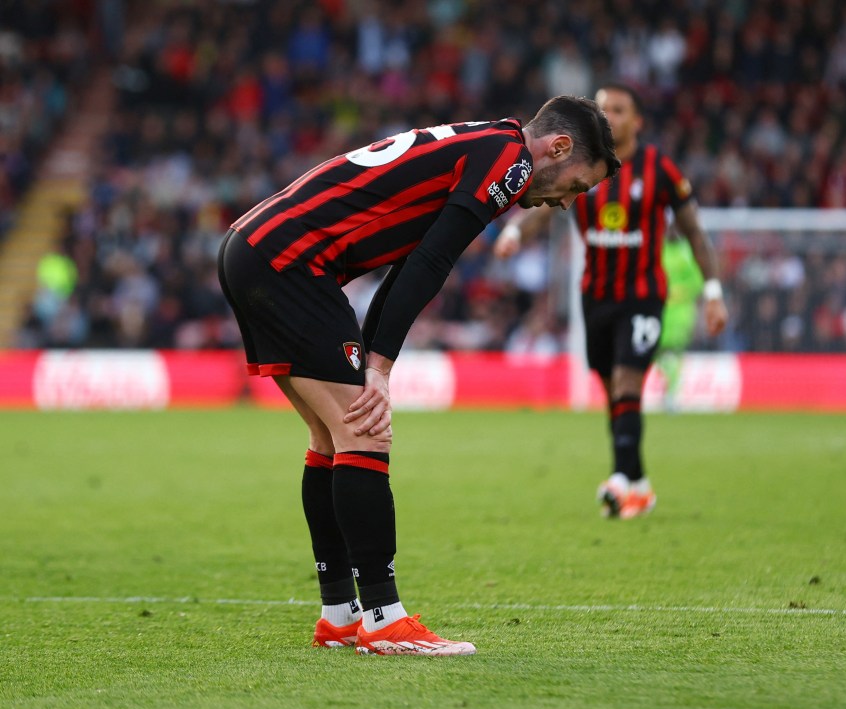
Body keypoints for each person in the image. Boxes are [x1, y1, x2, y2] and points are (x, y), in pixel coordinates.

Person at [218, 96, 618, 656]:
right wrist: (378, 368)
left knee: (333, 437)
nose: (564, 202)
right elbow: (432, 263)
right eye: (576, 186)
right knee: (365, 432)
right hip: (291, 262)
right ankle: (383, 619)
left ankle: (341, 614)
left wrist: (377, 361)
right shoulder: (511, 162)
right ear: (559, 148)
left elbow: (409, 263)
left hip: (258, 249)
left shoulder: (485, 145)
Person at [494, 81, 727, 519]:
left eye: (618, 110)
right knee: (615, 392)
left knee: (626, 382)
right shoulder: (582, 165)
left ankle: (620, 479)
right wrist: (512, 231)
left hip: (642, 296)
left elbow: (694, 230)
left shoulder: (660, 168)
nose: (610, 117)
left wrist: (713, 292)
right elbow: (547, 206)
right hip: (594, 296)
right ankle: (637, 482)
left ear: (636, 121)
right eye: (603, 109)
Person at [656, 224, 704, 413]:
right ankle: (667, 390)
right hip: (659, 311)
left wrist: (677, 291)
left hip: (680, 313)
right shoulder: (659, 250)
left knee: (672, 353)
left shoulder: (687, 252)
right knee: (656, 354)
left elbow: (697, 281)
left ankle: (672, 394)